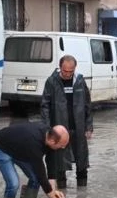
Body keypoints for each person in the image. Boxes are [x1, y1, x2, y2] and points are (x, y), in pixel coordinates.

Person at [0, 122, 69, 198]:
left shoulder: (51, 136)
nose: (63, 148)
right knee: (14, 184)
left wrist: (54, 192)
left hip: (20, 149)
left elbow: (51, 167)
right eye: (61, 145)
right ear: (52, 141)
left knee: (35, 179)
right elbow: (41, 175)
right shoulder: (34, 144)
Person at [40, 55, 93, 189]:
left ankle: (82, 195)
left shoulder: (80, 81)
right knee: (59, 164)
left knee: (82, 160)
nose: (68, 74)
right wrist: (47, 129)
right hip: (59, 129)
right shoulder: (52, 82)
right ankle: (62, 192)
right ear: (60, 67)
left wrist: (89, 126)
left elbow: (87, 105)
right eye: (65, 71)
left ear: (75, 68)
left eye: (71, 71)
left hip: (78, 128)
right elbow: (44, 106)